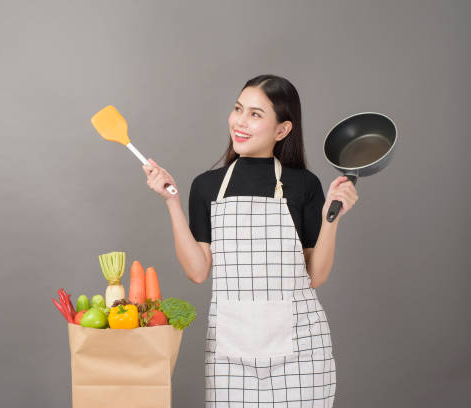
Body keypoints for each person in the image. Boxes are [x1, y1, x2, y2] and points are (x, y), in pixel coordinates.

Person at [142, 74, 358, 407]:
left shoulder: (304, 185)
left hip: (301, 349)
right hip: (230, 350)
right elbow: (198, 272)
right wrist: (171, 201)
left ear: (282, 130)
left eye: (255, 115)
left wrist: (332, 219)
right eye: (238, 109)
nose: (240, 122)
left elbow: (315, 276)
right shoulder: (206, 186)